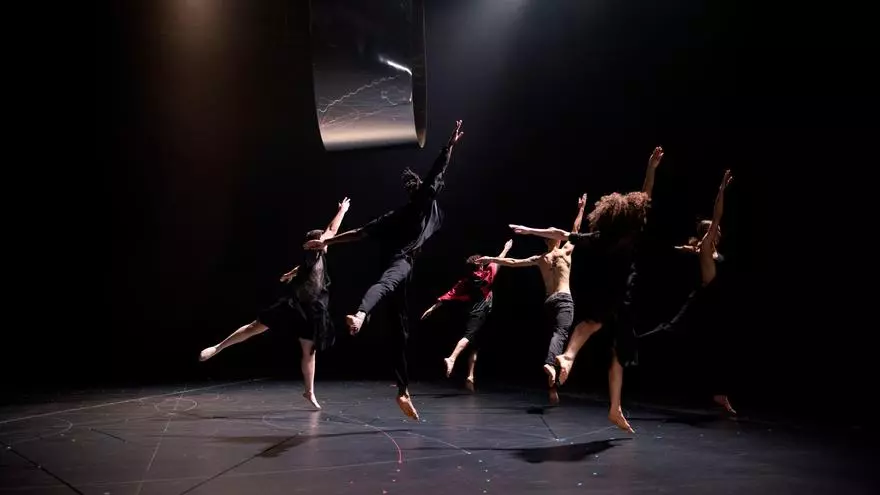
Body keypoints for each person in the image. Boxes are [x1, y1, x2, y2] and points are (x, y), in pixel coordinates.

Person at [304, 121, 465, 420]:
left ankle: (403, 391)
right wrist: (449, 146)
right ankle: (361, 315)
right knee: (387, 285)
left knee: (400, 330)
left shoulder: (401, 213)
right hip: (401, 263)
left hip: (400, 264)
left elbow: (360, 233)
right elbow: (436, 173)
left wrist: (328, 241)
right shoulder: (422, 204)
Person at [509, 146, 664, 432]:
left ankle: (575, 363)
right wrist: (651, 169)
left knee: (593, 326)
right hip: (623, 294)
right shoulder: (632, 232)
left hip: (604, 288)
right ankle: (610, 402)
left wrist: (530, 230)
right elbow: (646, 195)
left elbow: (563, 233)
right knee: (615, 349)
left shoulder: (601, 235)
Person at [199, 198, 352, 410]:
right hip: (295, 306)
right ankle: (218, 347)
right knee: (255, 327)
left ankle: (309, 391)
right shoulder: (313, 251)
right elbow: (332, 230)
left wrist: (292, 273)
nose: (327, 244)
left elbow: (308, 262)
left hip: (314, 310)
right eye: (323, 241)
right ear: (315, 243)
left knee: (310, 351)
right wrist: (343, 210)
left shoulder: (316, 258)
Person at [475, 194, 588, 405]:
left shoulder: (540, 258)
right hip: (563, 300)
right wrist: (581, 209)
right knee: (561, 335)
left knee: (555, 339)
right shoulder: (566, 252)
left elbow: (513, 262)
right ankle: (550, 366)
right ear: (557, 239)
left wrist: (491, 258)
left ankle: (552, 387)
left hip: (548, 302)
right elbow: (575, 230)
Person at [641, 170, 736, 414]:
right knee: (670, 330)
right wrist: (721, 189)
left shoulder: (706, 250)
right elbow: (717, 214)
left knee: (718, 347)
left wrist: (686, 249)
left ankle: (720, 393)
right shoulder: (706, 247)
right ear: (708, 234)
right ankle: (632, 342)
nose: (718, 231)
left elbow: (693, 249)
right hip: (703, 301)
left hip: (715, 302)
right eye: (714, 230)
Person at [421, 239, 514, 391]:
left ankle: (470, 376)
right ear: (480, 264)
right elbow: (499, 260)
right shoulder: (488, 274)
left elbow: (449, 295)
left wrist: (432, 308)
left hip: (475, 313)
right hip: (480, 313)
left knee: (475, 346)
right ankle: (452, 358)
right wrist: (506, 248)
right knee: (468, 337)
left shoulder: (466, 280)